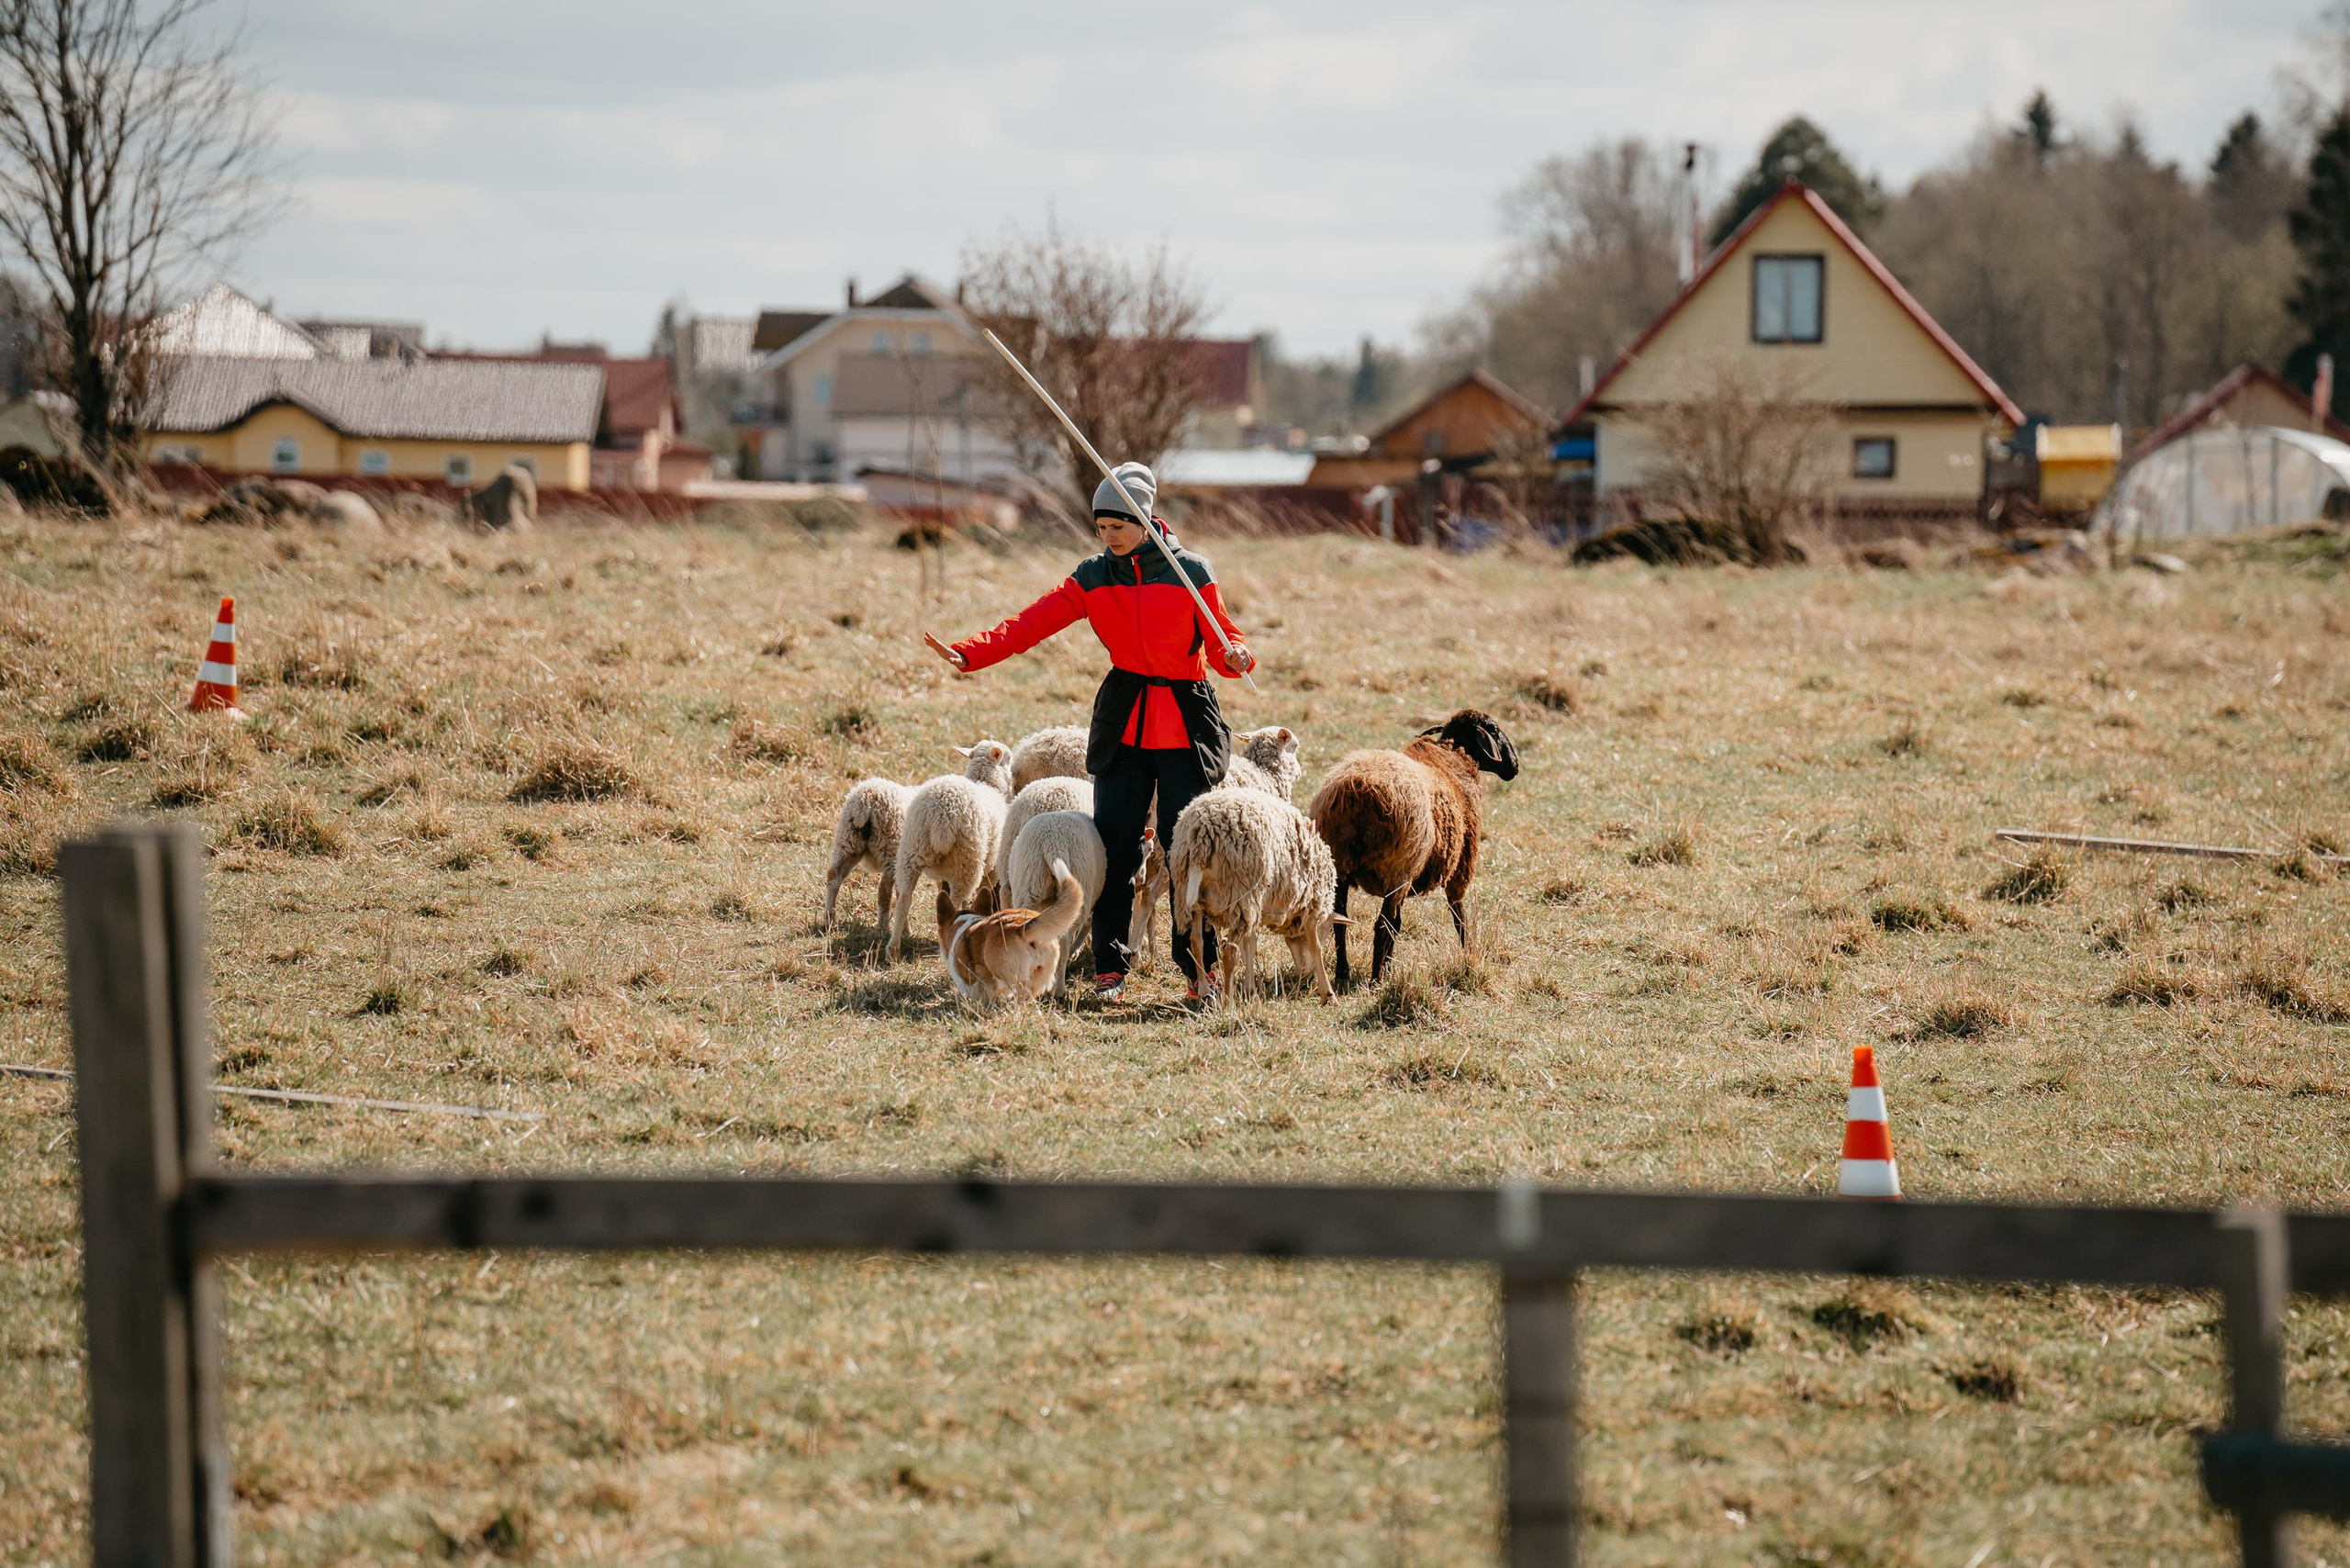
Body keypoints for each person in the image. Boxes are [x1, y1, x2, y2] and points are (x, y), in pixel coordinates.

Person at [923, 462, 1253, 1003]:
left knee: (1186, 854)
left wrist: (1236, 656)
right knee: (1114, 849)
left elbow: (1222, 641)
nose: (1108, 537)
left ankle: (1200, 970)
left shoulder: (1192, 570)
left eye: (1117, 527)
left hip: (1185, 722)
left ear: (1145, 521)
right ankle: (1110, 969)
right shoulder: (1094, 575)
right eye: (1101, 527)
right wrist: (972, 653)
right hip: (1124, 720)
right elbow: (1030, 623)